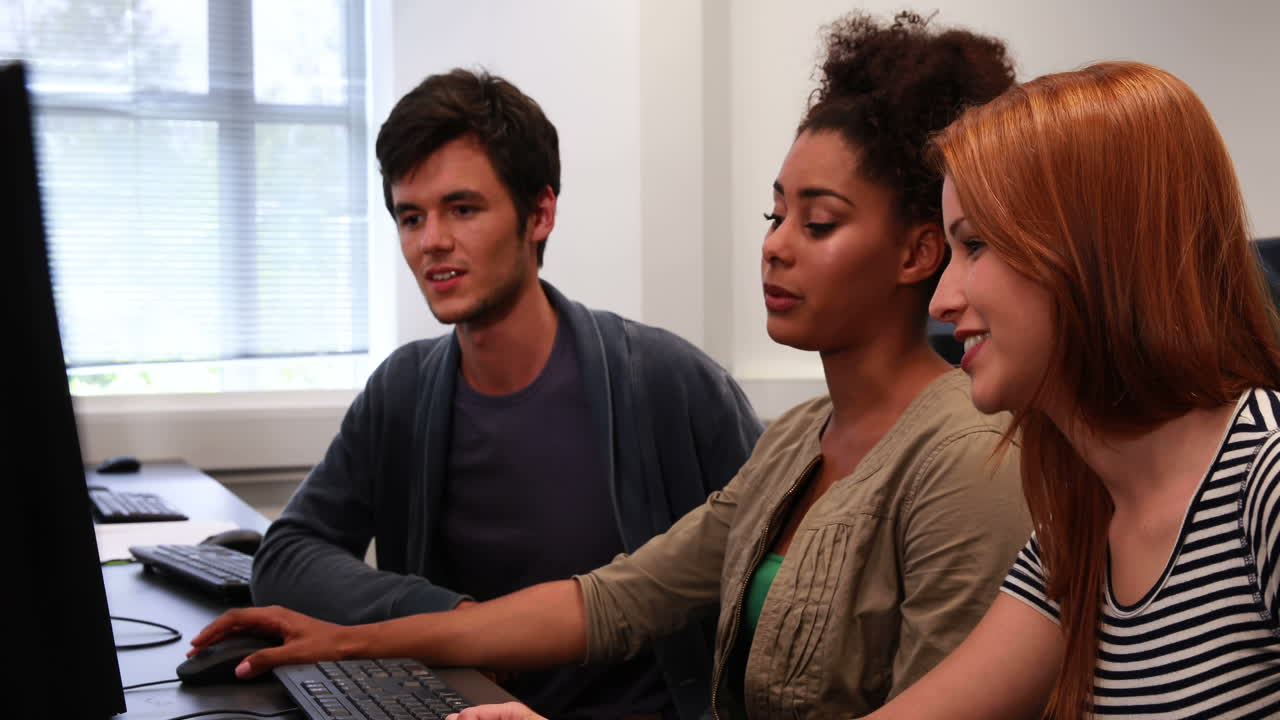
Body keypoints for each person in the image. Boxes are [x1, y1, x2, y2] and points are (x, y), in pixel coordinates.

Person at [194, 12, 1031, 718]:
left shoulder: (965, 454)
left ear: (919, 251)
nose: (774, 246)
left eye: (817, 224)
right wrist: (351, 642)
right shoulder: (799, 442)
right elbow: (611, 599)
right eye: (774, 215)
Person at [247, 68, 764, 720]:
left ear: (539, 214)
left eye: (462, 209)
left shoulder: (667, 382)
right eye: (411, 217)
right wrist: (448, 616)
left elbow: (780, 578)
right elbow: (287, 555)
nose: (432, 241)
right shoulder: (404, 390)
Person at [858, 61, 1280, 719]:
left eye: (976, 245)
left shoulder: (1266, 479)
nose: (942, 300)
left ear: (1095, 248)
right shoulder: (1078, 525)